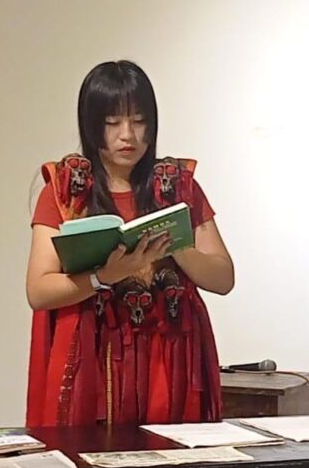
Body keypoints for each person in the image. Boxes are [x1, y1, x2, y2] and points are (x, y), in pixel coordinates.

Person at [26, 60, 234, 427]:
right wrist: (103, 276)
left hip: (170, 352)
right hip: (93, 355)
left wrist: (175, 245)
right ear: (91, 125)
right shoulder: (66, 190)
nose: (128, 136)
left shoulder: (178, 187)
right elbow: (39, 290)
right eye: (112, 123)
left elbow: (223, 278)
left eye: (139, 121)